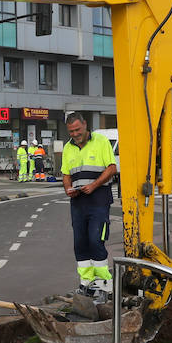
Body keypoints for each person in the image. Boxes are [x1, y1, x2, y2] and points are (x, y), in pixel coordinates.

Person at [61, 114, 118, 300]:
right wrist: (68, 189)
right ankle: (86, 283)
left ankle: (104, 285)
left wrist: (93, 185)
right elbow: (66, 174)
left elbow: (111, 168)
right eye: (71, 131)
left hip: (98, 199)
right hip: (78, 201)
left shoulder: (101, 141)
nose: (75, 134)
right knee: (80, 243)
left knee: (95, 240)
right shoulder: (68, 148)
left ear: (85, 125)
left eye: (78, 129)